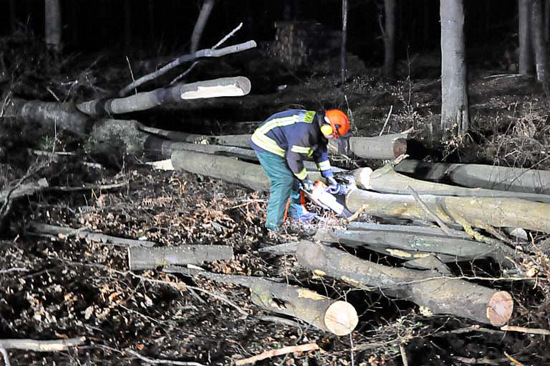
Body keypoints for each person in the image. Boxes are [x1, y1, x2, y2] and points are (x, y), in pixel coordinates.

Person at [249, 109, 351, 231]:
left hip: (283, 143)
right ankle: (273, 225)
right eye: (334, 135)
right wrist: (305, 180)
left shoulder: (318, 127)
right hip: (267, 143)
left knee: (294, 179)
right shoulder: (306, 132)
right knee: (284, 180)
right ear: (327, 128)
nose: (334, 138)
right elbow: (294, 160)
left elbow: (320, 153)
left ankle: (297, 214)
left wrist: (329, 176)